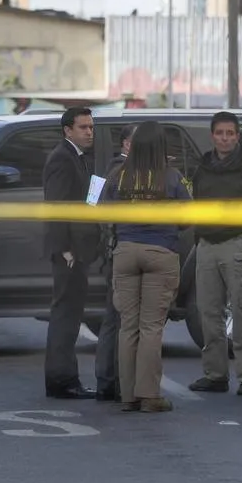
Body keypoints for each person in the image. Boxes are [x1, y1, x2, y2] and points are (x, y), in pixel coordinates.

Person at [102, 121, 190, 412]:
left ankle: (128, 395)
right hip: (160, 251)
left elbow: (102, 211)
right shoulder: (172, 177)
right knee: (151, 327)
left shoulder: (118, 175)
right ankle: (149, 395)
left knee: (128, 326)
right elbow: (188, 217)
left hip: (125, 251)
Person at [188, 111, 242, 396]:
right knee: (208, 314)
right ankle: (215, 374)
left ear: (237, 136)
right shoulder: (204, 167)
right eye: (220, 133)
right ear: (212, 136)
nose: (224, 138)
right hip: (207, 246)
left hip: (238, 244)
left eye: (230, 133)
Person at [42, 106, 100, 399]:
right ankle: (62, 380)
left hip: (80, 248)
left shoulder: (79, 158)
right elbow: (56, 207)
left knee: (71, 314)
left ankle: (64, 378)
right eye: (83, 127)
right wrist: (64, 248)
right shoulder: (62, 159)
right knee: (65, 315)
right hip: (69, 253)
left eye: (91, 127)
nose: (89, 132)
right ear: (68, 130)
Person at [95, 123, 137, 401]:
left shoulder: (106, 172)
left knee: (113, 318)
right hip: (122, 250)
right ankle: (117, 382)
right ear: (125, 144)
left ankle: (106, 380)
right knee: (123, 320)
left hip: (113, 251)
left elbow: (93, 208)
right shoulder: (122, 173)